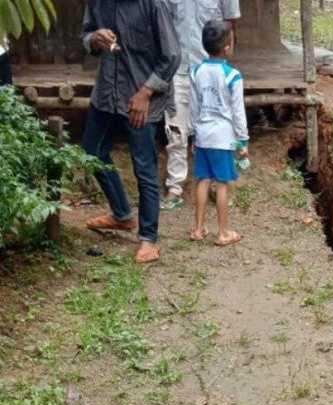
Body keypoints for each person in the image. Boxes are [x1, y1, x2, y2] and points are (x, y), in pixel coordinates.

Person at [81, 0, 181, 264]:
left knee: (144, 167)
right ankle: (122, 214)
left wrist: (146, 93)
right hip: (106, 93)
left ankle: (148, 240)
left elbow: (171, 56)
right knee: (92, 150)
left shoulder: (153, 5)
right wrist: (94, 39)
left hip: (141, 100)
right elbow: (86, 33)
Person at [161, 0, 241, 211]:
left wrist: (225, 62)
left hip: (211, 70)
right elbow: (163, 23)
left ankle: (216, 183)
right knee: (175, 129)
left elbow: (230, 25)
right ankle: (175, 186)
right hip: (178, 69)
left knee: (214, 127)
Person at [189, 21, 248, 247]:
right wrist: (242, 139)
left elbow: (194, 107)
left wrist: (194, 134)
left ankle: (198, 228)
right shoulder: (232, 75)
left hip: (203, 134)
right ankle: (223, 232)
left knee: (202, 180)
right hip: (223, 136)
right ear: (227, 48)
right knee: (222, 184)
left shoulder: (196, 71)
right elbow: (238, 111)